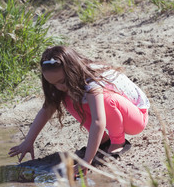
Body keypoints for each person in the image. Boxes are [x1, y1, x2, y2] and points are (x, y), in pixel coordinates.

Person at [8, 45, 150, 176]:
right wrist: (28, 141)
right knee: (66, 98)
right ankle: (104, 141)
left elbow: (98, 121)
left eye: (62, 81)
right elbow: (46, 110)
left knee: (106, 99)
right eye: (53, 84)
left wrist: (87, 160)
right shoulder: (64, 85)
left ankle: (118, 142)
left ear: (72, 71)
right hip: (117, 114)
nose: (59, 87)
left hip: (136, 118)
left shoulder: (91, 81)